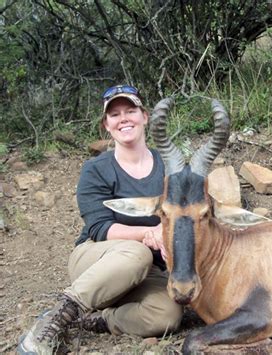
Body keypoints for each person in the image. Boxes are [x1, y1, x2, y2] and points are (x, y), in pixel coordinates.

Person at [18, 85, 183, 354]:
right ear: (106, 124)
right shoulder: (95, 169)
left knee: (167, 315)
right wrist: (149, 233)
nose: (124, 119)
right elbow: (99, 227)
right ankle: (55, 319)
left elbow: (184, 214)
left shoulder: (168, 164)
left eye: (130, 111)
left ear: (145, 116)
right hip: (97, 258)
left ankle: (98, 319)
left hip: (149, 271)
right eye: (115, 114)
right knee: (137, 253)